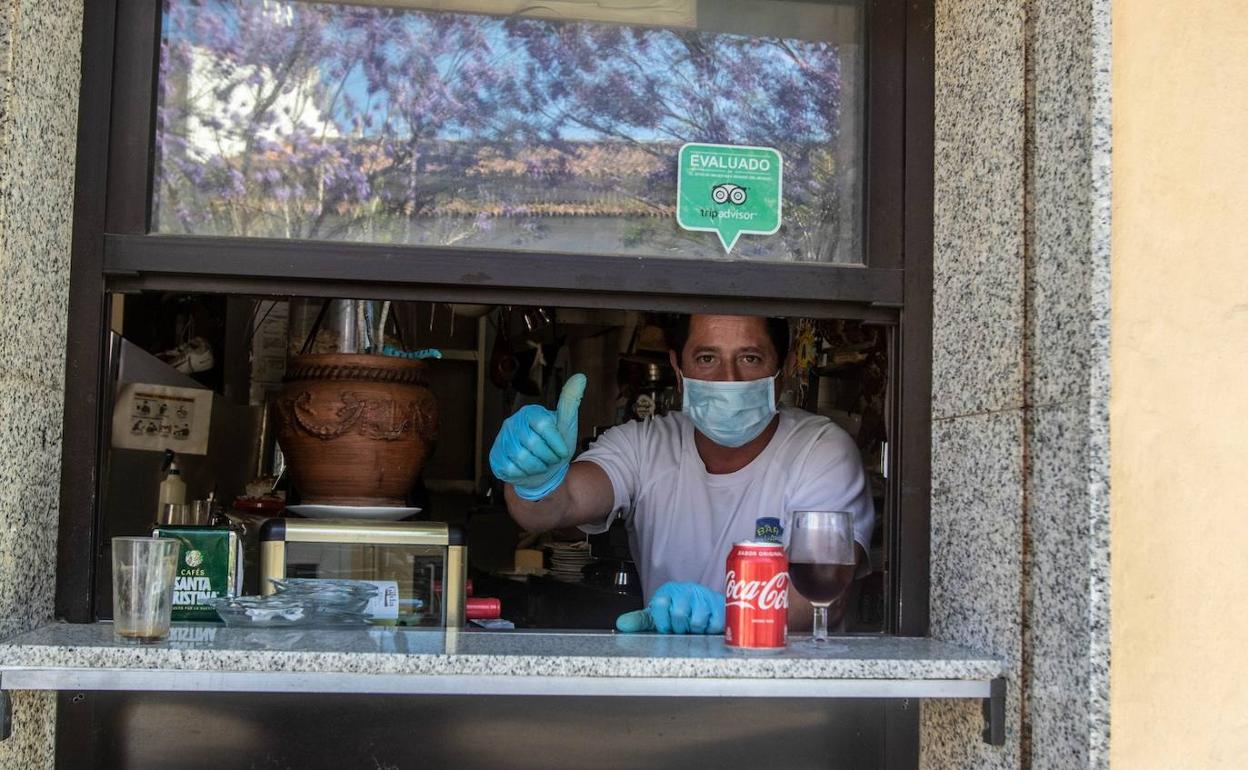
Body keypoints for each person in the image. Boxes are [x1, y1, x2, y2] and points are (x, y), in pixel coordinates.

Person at [489, 314, 874, 634]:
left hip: (792, 695)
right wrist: (535, 480)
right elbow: (559, 506)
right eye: (707, 358)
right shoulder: (645, 445)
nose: (728, 379)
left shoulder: (821, 450)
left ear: (783, 367)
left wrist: (731, 614)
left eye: (750, 358)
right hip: (675, 688)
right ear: (678, 368)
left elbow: (826, 599)